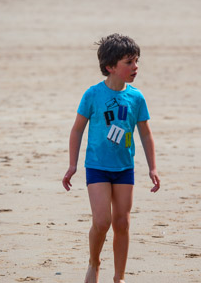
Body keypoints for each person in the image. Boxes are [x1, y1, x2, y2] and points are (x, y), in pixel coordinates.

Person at [62, 33, 160, 283]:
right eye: (129, 62)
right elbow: (77, 130)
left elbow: (146, 134)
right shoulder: (92, 95)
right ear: (110, 67)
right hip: (96, 166)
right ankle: (94, 263)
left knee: (122, 223)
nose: (135, 67)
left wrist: (152, 168)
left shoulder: (136, 97)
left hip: (124, 168)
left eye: (136, 61)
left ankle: (119, 278)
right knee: (102, 221)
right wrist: (73, 164)